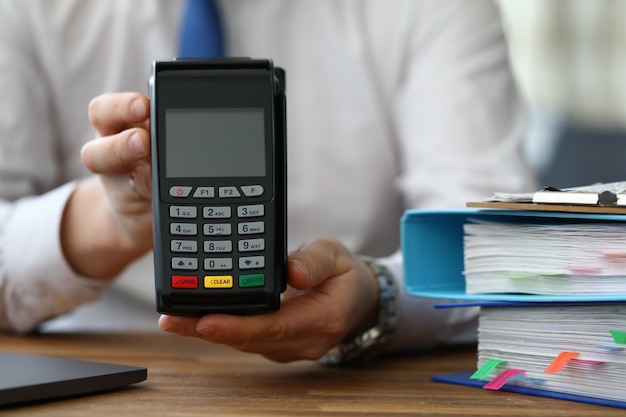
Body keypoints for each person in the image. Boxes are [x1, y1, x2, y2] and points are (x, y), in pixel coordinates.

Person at [0, 0, 535, 363]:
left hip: (347, 375)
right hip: (94, 369)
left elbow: (495, 248)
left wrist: (378, 297)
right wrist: (107, 223)